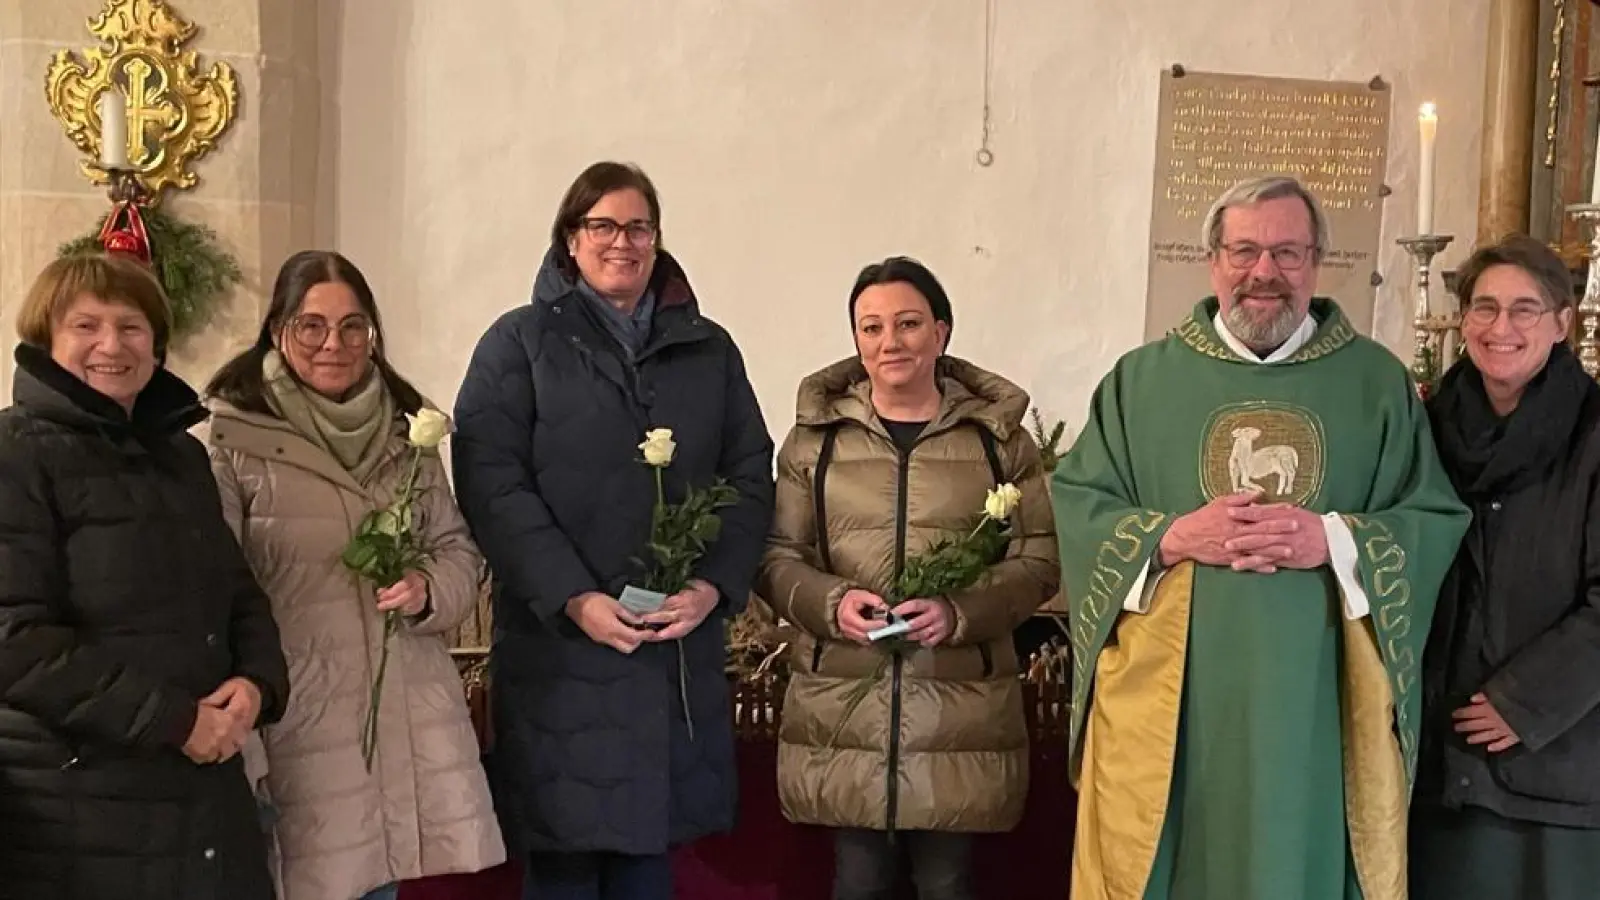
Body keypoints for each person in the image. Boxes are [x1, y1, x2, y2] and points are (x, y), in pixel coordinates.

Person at [1051, 175, 1471, 900]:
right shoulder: (1140, 382)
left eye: (1287, 252)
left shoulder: (1375, 384)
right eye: (1244, 251)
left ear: (1316, 262)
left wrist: (1334, 541)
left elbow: (1430, 519)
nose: (1264, 272)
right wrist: (1174, 536)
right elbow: (1080, 505)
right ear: (1213, 261)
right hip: (1175, 713)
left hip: (1319, 708)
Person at [452, 161, 775, 900]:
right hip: (561, 658)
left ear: (657, 240)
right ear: (570, 239)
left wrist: (712, 586)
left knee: (647, 864)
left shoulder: (709, 350)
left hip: (670, 653)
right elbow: (492, 483)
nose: (621, 242)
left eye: (638, 227)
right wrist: (574, 597)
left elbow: (749, 475)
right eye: (602, 225)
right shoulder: (518, 344)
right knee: (563, 866)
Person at [203, 250, 505, 900]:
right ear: (278, 330)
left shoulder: (406, 430)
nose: (333, 345)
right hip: (299, 718)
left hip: (398, 715)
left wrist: (427, 590)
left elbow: (457, 549)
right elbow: (214, 589)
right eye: (311, 326)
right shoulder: (232, 439)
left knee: (379, 883)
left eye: (352, 327)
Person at [757, 257, 1059, 900]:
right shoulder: (815, 441)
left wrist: (959, 611)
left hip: (959, 710)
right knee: (857, 882)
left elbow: (1039, 559)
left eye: (908, 323)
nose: (889, 342)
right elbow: (777, 557)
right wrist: (832, 602)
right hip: (845, 704)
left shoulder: (999, 440)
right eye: (871, 327)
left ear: (941, 333)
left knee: (948, 883)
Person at [0, 253, 289, 900]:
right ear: (46, 340)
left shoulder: (180, 455)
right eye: (86, 326)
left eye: (131, 326)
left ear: (156, 346)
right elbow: (14, 638)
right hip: (79, 808)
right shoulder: (14, 452)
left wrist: (256, 684)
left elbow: (238, 593)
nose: (112, 344)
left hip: (205, 795)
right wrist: (175, 721)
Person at [1411, 234, 1600, 900]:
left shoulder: (1592, 434)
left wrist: (1523, 701)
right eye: (1485, 307)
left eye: (1525, 309)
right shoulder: (1426, 427)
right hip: (1439, 764)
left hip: (1553, 767)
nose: (1502, 328)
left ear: (1562, 323)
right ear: (1463, 320)